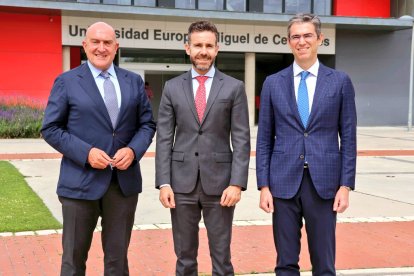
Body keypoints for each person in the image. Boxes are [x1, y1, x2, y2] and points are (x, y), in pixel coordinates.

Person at [41, 21, 156, 275]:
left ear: (116, 47)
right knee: (73, 261)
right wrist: (86, 153)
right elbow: (50, 128)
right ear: (85, 45)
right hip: (79, 184)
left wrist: (134, 151)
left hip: (122, 185)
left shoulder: (134, 82)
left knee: (117, 262)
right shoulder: (67, 81)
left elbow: (147, 125)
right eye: (95, 42)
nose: (101, 48)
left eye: (107, 43)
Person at [256, 13, 357, 276]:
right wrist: (264, 185)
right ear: (289, 42)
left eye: (307, 35)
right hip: (282, 184)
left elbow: (348, 138)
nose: (302, 41)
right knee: (285, 264)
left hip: (324, 184)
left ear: (320, 39)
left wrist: (345, 185)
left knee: (324, 264)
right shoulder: (272, 83)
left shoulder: (340, 82)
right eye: (296, 36)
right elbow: (264, 138)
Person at [155, 20, 250, 275]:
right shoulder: (172, 87)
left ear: (217, 49)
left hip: (221, 186)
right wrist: (164, 182)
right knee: (185, 258)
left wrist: (237, 183)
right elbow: (164, 137)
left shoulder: (234, 87)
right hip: (180, 185)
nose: (203, 51)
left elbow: (241, 139)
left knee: (222, 258)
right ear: (188, 48)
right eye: (198, 45)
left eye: (209, 45)